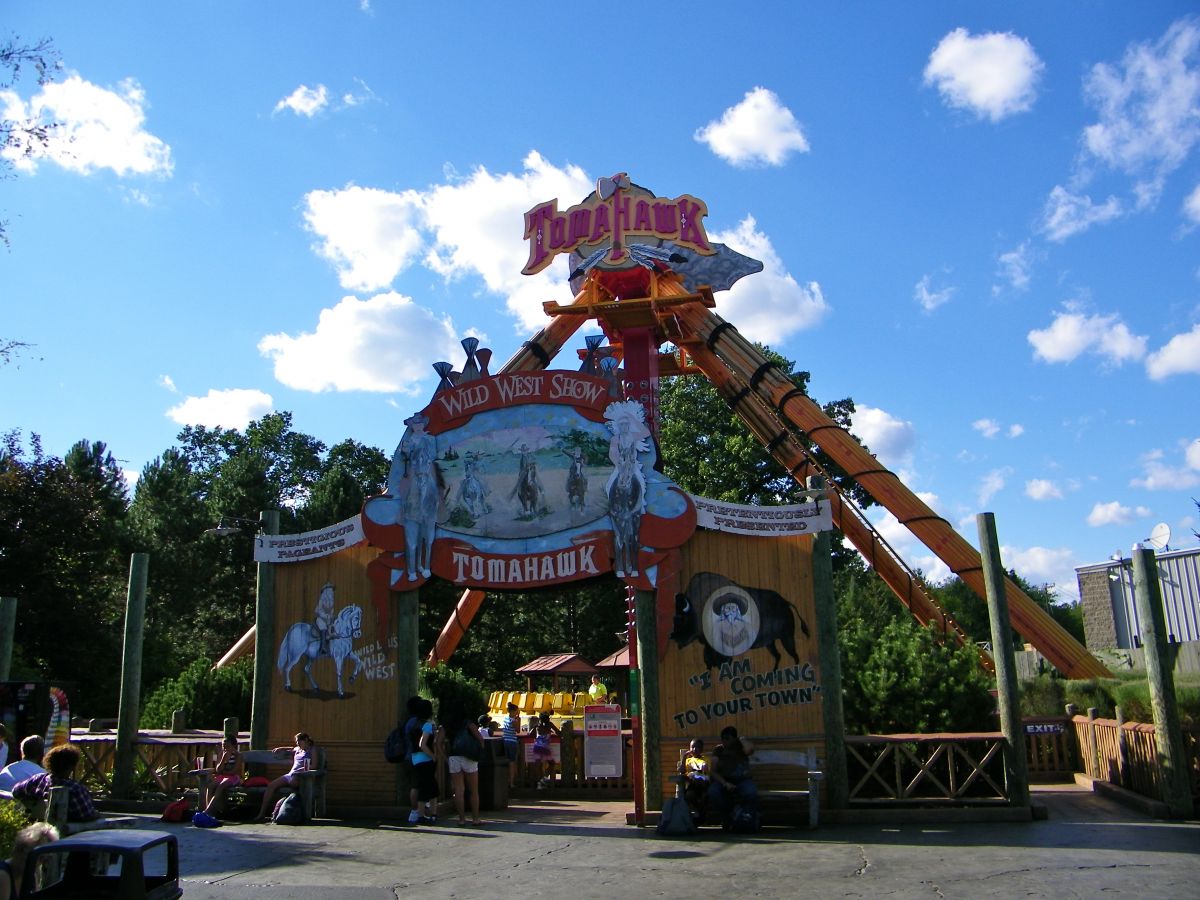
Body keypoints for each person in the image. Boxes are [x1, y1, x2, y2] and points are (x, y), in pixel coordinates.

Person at [13, 743, 99, 823]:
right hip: (68, 831)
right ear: (71, 767)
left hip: (39, 827)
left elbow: (15, 791)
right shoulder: (75, 789)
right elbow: (86, 816)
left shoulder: (38, 780)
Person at [254, 732, 314, 822]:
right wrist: (280, 748)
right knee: (271, 786)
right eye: (296, 742)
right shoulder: (298, 749)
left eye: (299, 742)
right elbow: (291, 748)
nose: (297, 744)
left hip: (300, 776)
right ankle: (261, 814)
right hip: (290, 774)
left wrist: (302, 769)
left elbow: (314, 765)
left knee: (293, 784)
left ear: (305, 740)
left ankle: (285, 809)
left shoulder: (312, 750)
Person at [707, 726, 757, 828]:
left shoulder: (741, 748)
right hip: (724, 781)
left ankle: (745, 817)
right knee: (713, 792)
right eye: (722, 738)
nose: (724, 741)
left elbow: (750, 749)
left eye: (727, 738)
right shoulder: (718, 750)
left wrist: (742, 739)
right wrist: (725, 783)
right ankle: (727, 816)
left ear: (734, 739)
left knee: (751, 791)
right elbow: (713, 771)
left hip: (742, 780)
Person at [444, 705, 484, 826]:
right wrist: (478, 753)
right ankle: (475, 819)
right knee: (473, 790)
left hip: (454, 757)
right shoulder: (468, 724)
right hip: (469, 757)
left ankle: (461, 819)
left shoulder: (447, 725)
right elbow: (480, 739)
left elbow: (439, 742)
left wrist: (445, 758)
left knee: (458, 790)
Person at [0, 822, 58, 900]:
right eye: (40, 858)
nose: (40, 863)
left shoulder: (32, 874)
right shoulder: (3, 875)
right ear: (22, 850)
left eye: (45, 859)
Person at [408, 699, 438, 825]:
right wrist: (433, 756)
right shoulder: (427, 725)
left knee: (420, 786)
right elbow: (423, 744)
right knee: (429, 787)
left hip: (415, 758)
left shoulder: (413, 724)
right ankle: (424, 815)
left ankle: (421, 814)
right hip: (426, 759)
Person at [201, 736, 242, 817]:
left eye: (228, 746)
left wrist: (223, 772)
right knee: (210, 786)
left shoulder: (238, 755)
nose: (225, 748)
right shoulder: (221, 754)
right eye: (223, 746)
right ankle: (209, 810)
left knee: (221, 785)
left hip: (234, 777)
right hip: (222, 776)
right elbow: (218, 770)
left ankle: (208, 810)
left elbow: (234, 771)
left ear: (233, 746)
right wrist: (223, 759)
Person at [679, 738, 710, 821]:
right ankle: (700, 814)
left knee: (704, 795)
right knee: (689, 795)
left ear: (702, 749)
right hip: (691, 784)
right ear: (689, 748)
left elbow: (707, 772)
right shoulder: (688, 760)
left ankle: (701, 815)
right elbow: (682, 771)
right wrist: (684, 757)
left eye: (698, 747)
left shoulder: (705, 759)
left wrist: (705, 768)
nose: (695, 749)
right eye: (692, 747)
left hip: (703, 783)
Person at [530, 712, 559, 788]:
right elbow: (559, 733)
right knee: (552, 764)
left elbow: (530, 734)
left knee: (538, 766)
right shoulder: (550, 725)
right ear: (548, 719)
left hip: (536, 747)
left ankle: (539, 783)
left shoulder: (537, 725)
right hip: (545, 748)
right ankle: (544, 778)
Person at [501, 703, 521, 788]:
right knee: (512, 762)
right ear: (513, 711)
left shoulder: (505, 718)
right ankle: (511, 782)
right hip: (512, 742)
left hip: (505, 741)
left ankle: (506, 780)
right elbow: (518, 730)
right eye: (517, 710)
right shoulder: (514, 721)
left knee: (507, 761)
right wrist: (519, 720)